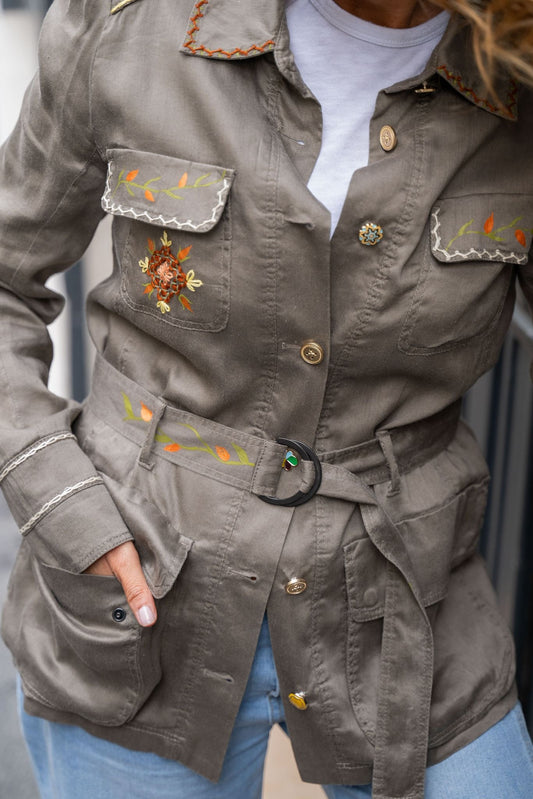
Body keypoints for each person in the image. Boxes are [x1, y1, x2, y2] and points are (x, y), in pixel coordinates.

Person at [1, 0, 533, 797]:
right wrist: (60, 499)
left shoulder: (516, 81)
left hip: (411, 606)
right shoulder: (132, 26)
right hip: (141, 591)